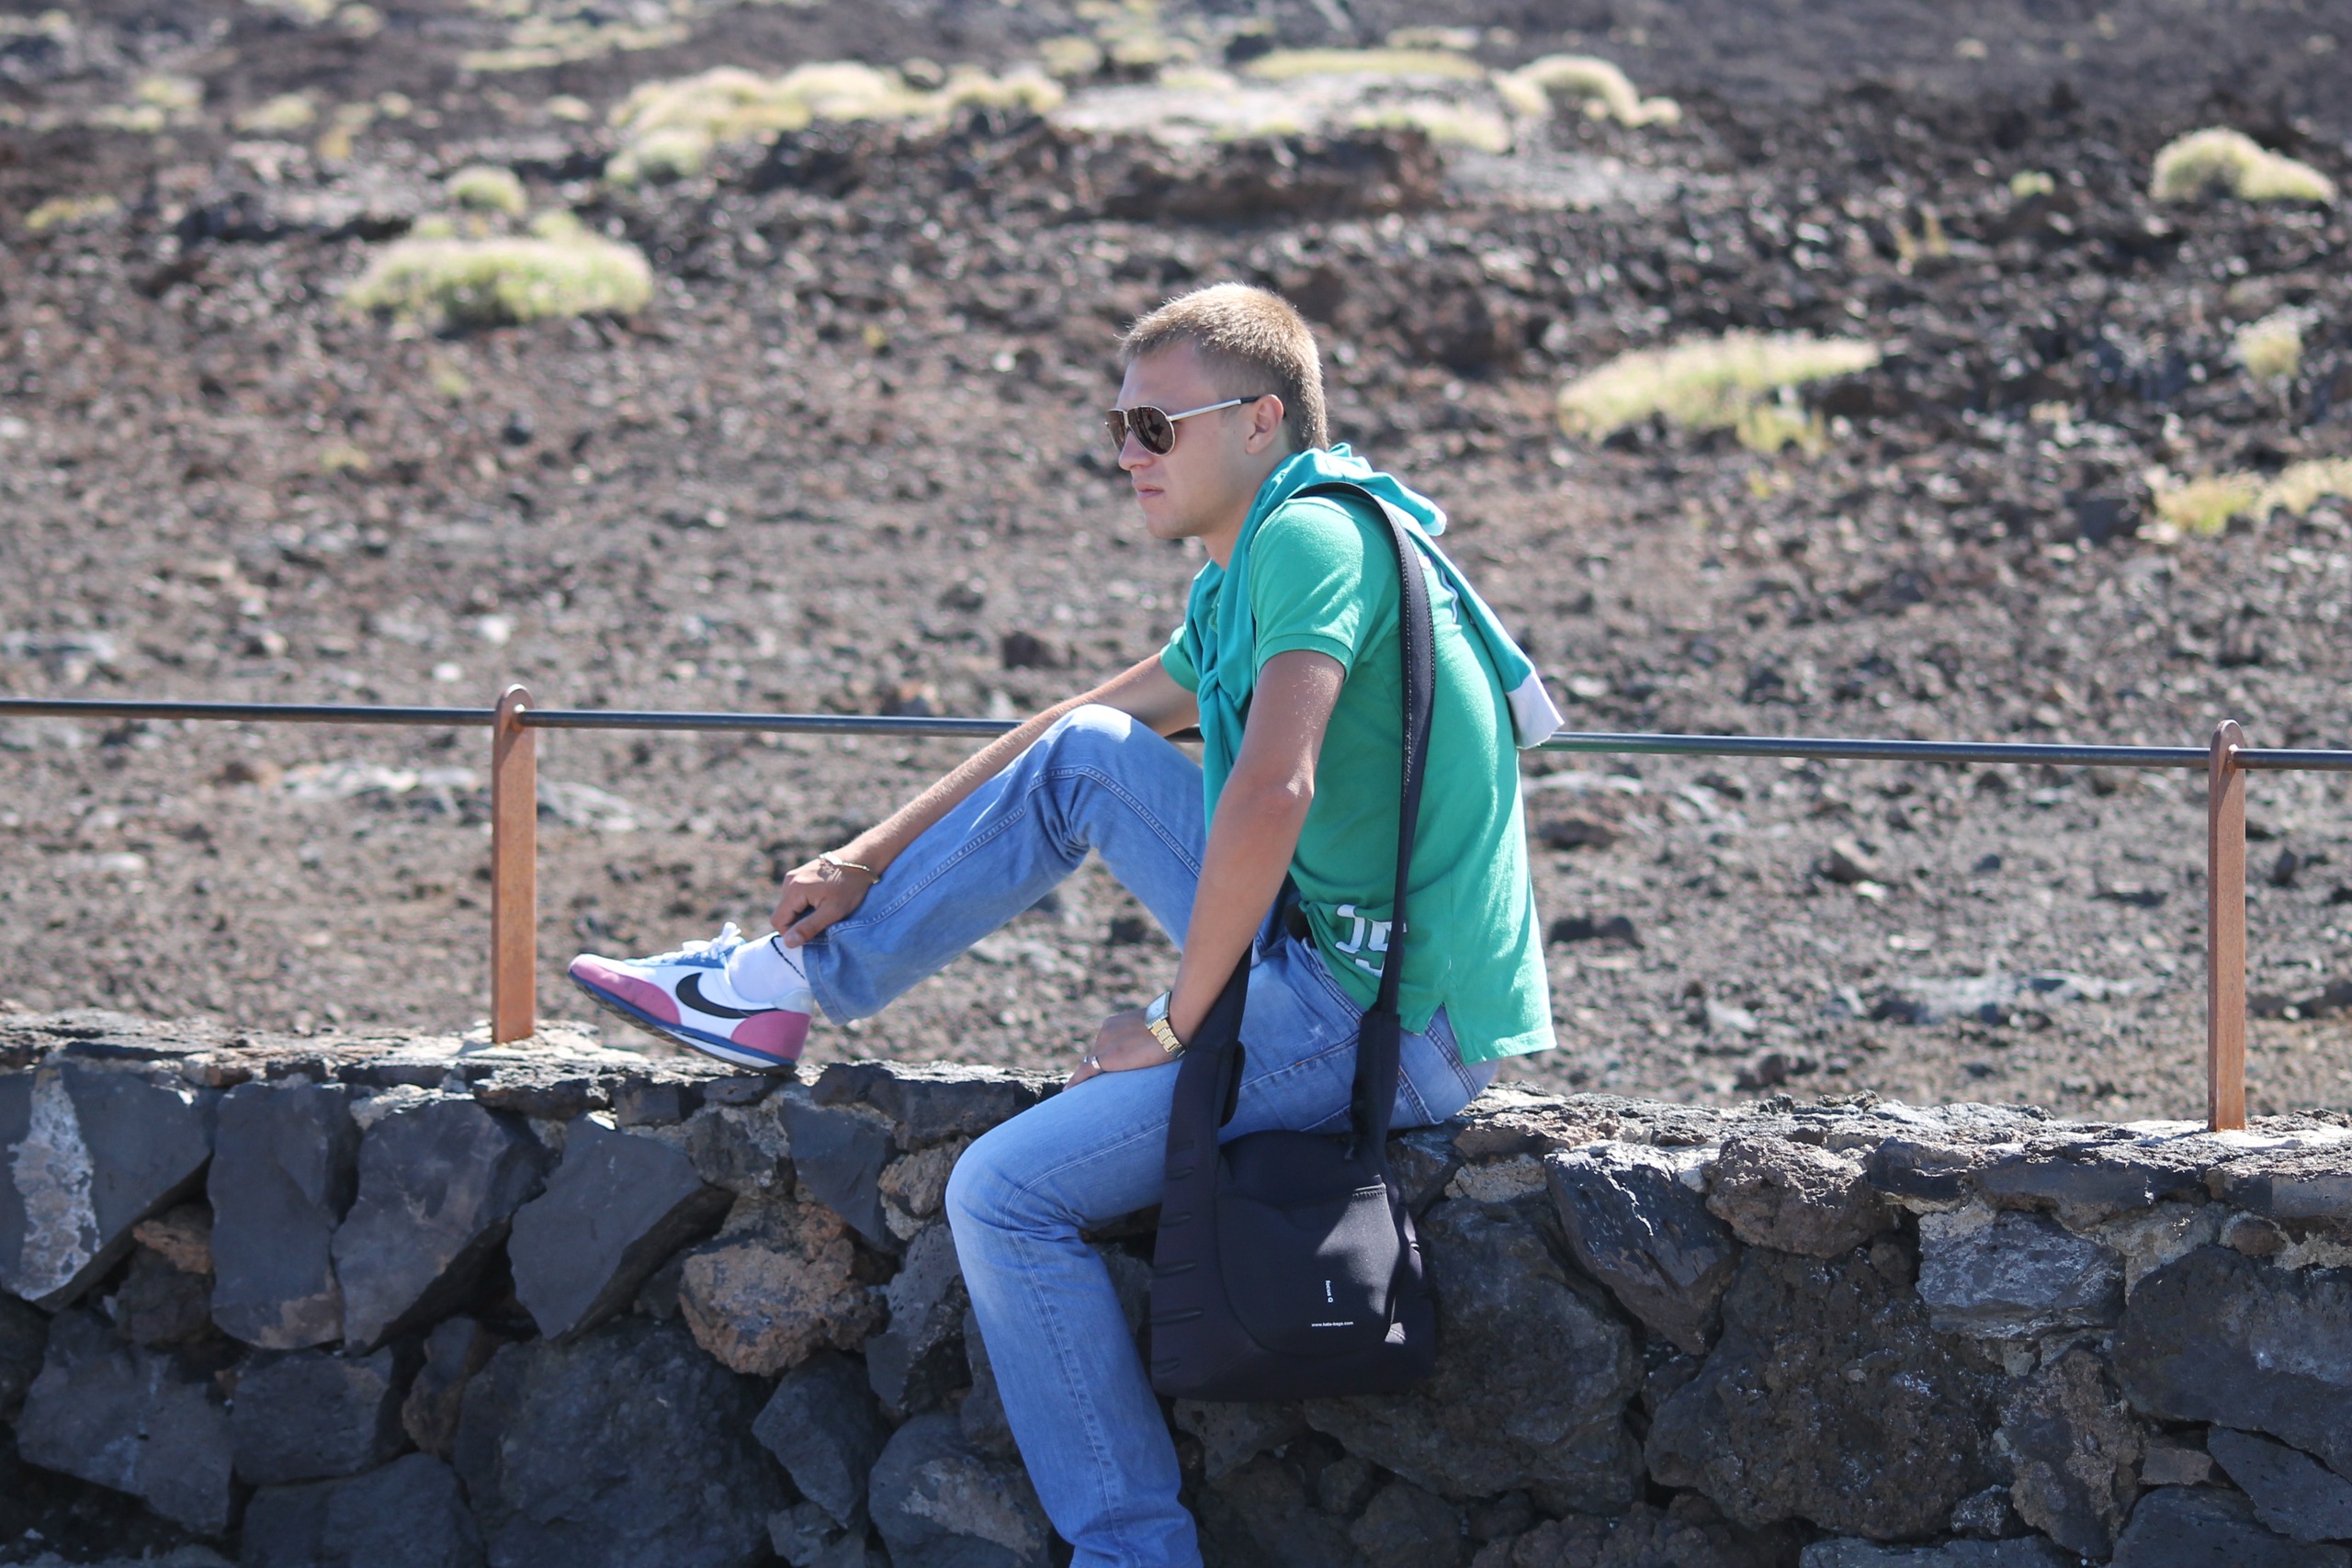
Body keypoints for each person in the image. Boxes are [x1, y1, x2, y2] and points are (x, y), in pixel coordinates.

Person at [568, 282, 1561, 1568]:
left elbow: (1275, 789)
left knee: (1001, 1194)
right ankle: (779, 984)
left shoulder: (1312, 541)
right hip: (1327, 950)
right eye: (1118, 426)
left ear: (1260, 421)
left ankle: (1134, 1554)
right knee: (1091, 752)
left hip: (1392, 1015)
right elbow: (1069, 730)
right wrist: (865, 856)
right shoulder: (1248, 566)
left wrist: (1176, 1024)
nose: (1126, 455)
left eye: (1157, 428)